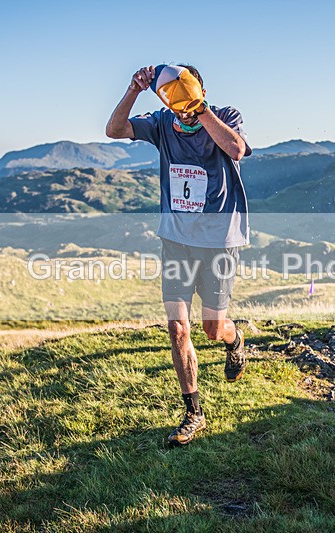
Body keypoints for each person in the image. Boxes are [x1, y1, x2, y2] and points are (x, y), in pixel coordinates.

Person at [106, 64, 250, 445]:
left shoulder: (225, 116)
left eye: (185, 94)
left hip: (219, 239)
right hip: (176, 239)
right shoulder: (161, 123)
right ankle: (193, 412)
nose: (181, 106)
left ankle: (234, 342)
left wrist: (200, 110)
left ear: (201, 90)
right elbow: (114, 129)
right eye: (175, 98)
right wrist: (135, 89)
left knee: (212, 328)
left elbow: (237, 149)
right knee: (177, 328)